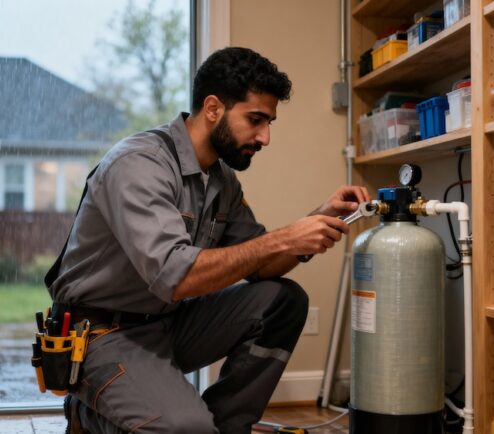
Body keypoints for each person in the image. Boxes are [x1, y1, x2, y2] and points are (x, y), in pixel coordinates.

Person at [50, 46, 371, 434]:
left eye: (269, 122)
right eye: (255, 119)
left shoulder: (221, 180)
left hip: (165, 323)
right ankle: (87, 414)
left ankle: (224, 427)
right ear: (214, 108)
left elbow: (262, 266)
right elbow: (176, 276)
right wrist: (285, 238)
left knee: (283, 301)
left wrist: (319, 218)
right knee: (186, 429)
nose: (265, 137)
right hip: (99, 334)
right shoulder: (139, 164)